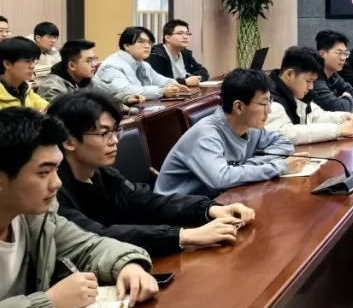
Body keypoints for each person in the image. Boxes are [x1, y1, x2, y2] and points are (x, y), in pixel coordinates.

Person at [0, 107, 158, 308]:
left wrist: (128, 264)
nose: (57, 183)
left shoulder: (34, 218)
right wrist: (49, 304)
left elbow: (88, 246)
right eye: (44, 172)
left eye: (56, 169)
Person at [49, 90, 255, 256]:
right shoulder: (52, 191)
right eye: (104, 133)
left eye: (114, 131)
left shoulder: (102, 174)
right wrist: (183, 236)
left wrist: (208, 209)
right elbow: (97, 235)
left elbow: (145, 201)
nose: (115, 140)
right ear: (69, 141)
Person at [155, 69, 307, 197]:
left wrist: (250, 165)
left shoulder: (250, 127)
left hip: (216, 201)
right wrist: (279, 167)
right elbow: (221, 178)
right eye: (263, 103)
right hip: (176, 211)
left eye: (269, 102)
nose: (269, 110)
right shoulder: (206, 134)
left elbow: (284, 144)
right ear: (238, 107)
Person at [266, 47, 353, 144]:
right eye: (308, 81)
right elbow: (286, 133)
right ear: (289, 74)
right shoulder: (269, 97)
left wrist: (343, 118)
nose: (311, 87)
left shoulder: (296, 93)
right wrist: (337, 130)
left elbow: (316, 116)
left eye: (313, 81)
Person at [36, 39, 139, 109]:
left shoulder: (86, 80)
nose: (94, 64)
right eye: (89, 60)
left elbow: (103, 95)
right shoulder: (51, 87)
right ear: (72, 65)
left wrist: (127, 98)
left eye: (94, 59)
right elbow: (69, 113)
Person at [94, 27, 186, 101]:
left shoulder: (142, 63)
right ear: (126, 46)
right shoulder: (111, 65)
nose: (147, 46)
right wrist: (161, 91)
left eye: (149, 42)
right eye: (141, 41)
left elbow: (157, 78)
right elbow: (126, 91)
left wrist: (173, 84)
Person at [147, 19, 209, 86]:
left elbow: (203, 71)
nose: (185, 37)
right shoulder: (156, 55)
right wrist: (184, 82)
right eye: (180, 33)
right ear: (167, 38)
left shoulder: (185, 54)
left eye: (187, 34)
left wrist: (193, 79)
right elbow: (155, 82)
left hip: (184, 91)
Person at [311, 30, 353, 113]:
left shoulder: (333, 75)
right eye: (339, 53)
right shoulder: (314, 77)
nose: (343, 58)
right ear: (322, 54)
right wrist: (347, 98)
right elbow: (337, 107)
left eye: (345, 53)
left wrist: (343, 101)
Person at [0, 37, 47, 111]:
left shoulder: (25, 89)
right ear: (7, 64)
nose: (32, 66)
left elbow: (49, 109)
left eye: (34, 61)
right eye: (27, 61)